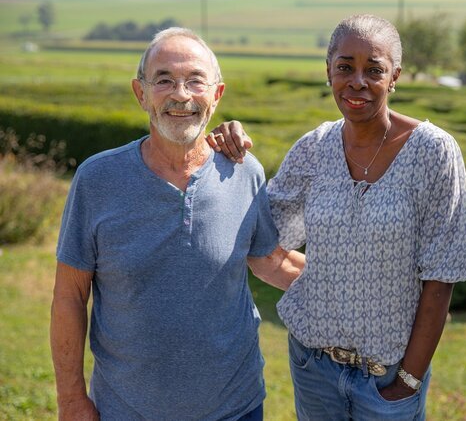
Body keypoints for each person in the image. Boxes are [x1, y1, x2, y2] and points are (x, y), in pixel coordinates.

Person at [207, 14, 466, 420]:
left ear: (395, 75)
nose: (357, 82)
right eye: (345, 67)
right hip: (313, 369)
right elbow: (256, 231)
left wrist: (408, 381)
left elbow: (441, 278)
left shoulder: (434, 152)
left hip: (389, 381)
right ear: (328, 71)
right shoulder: (314, 148)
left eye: (374, 70)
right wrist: (227, 155)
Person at [50, 27, 304, 420]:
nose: (181, 94)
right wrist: (71, 400)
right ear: (140, 93)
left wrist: (363, 285)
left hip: (235, 409)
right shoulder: (96, 180)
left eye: (195, 81)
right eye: (164, 80)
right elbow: (68, 297)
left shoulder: (244, 172)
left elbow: (271, 260)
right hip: (125, 410)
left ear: (216, 96)